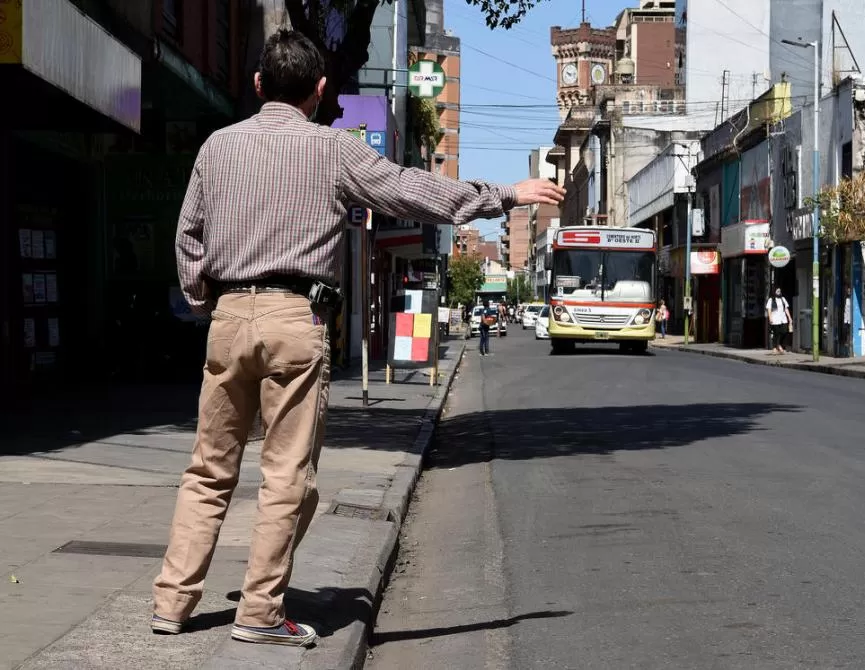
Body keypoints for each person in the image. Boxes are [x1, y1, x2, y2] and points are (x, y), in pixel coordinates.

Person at [151, 29, 564, 648]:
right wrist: (500, 194)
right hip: (295, 320)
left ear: (259, 84)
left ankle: (173, 603)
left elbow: (188, 237)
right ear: (320, 91)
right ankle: (261, 612)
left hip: (229, 316)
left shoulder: (217, 146)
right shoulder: (334, 150)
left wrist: (205, 299)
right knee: (286, 475)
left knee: (209, 469)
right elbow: (410, 189)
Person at [765, 287, 793, 354]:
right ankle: (775, 347)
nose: (778, 292)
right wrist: (770, 318)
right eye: (777, 291)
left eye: (779, 291)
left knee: (784, 332)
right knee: (776, 334)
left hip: (783, 319)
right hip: (775, 319)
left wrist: (789, 318)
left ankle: (779, 344)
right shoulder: (771, 300)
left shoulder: (783, 299)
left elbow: (786, 308)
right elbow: (769, 309)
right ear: (774, 292)